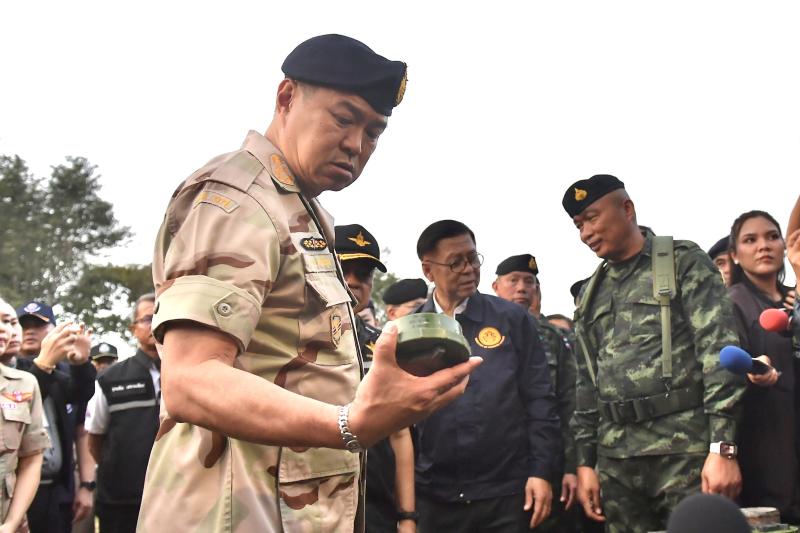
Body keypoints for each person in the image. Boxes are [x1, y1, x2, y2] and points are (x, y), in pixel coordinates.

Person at [138, 34, 481, 533]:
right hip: (231, 511)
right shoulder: (239, 197)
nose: (356, 144)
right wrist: (351, 424)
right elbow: (189, 380)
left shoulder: (300, 207)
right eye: (343, 118)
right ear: (286, 97)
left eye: (374, 132)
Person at [562, 174, 744, 533]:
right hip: (617, 460)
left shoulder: (681, 262)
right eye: (578, 225)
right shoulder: (590, 294)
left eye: (593, 217)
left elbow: (719, 354)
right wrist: (585, 463)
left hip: (683, 451)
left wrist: (722, 448)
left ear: (627, 209)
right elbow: (585, 384)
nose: (586, 232)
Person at [413, 220, 560, 532]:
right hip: (435, 497)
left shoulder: (511, 320)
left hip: (506, 493)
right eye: (456, 262)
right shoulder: (409, 330)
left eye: (473, 258)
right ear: (429, 270)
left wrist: (542, 471)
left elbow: (539, 399)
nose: (469, 269)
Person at [335, 224, 417, 533]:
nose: (354, 281)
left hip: (374, 504)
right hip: (307, 498)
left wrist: (408, 516)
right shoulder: (292, 336)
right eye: (345, 268)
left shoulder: (383, 343)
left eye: (365, 274)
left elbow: (400, 433)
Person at [492, 253, 579, 532]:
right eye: (513, 280)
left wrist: (572, 465)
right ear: (495, 286)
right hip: (494, 468)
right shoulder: (479, 331)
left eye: (529, 281)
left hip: (545, 462)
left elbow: (569, 403)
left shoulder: (553, 337)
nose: (521, 288)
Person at [725, 210, 800, 522]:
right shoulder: (732, 302)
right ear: (735, 255)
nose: (763, 246)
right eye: (750, 240)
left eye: (772, 237)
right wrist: (757, 369)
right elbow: (726, 366)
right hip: (765, 443)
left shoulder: (793, 299)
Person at [14, 301, 95, 533]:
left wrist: (86, 486)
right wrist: (44, 365)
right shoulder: (9, 371)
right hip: (15, 491)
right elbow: (23, 405)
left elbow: (81, 421)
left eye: (38, 325)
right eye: (23, 324)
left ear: (55, 330)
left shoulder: (66, 371)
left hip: (58, 489)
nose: (29, 330)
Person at [85, 294, 159, 533]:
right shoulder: (111, 378)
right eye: (148, 318)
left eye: (162, 314)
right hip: (121, 503)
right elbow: (94, 439)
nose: (156, 322)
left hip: (177, 498)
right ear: (133, 328)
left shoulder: (191, 375)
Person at [0, 298, 50, 533]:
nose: (4, 328)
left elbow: (31, 457)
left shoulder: (24, 384)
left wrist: (11, 523)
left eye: (9, 322)